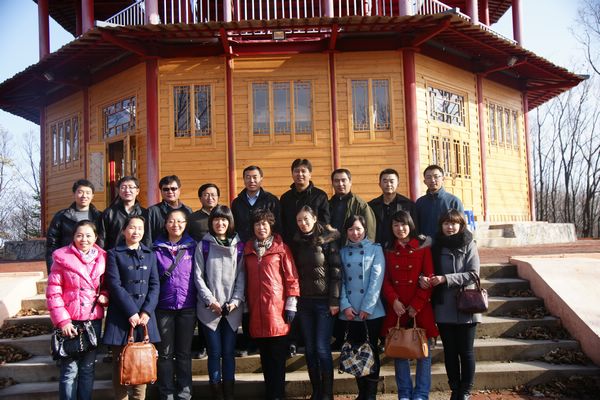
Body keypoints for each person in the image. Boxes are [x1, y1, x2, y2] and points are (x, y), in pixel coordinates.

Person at [420, 210, 481, 400]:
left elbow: (473, 274)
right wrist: (424, 278)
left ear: (461, 225)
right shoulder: (435, 246)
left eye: (454, 223)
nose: (450, 227)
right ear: (441, 226)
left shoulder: (469, 243)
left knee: (466, 351)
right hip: (444, 305)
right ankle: (454, 388)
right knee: (450, 351)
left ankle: (466, 390)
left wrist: (445, 278)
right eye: (446, 223)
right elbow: (426, 269)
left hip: (467, 304)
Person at [46, 220, 108, 400]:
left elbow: (106, 286)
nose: (84, 239)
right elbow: (53, 293)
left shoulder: (102, 259)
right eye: (79, 235)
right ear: (73, 237)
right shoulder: (62, 258)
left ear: (95, 237)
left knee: (88, 369)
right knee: (69, 370)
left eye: (88, 235)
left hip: (92, 320)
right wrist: (63, 321)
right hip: (70, 321)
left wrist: (105, 295)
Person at [381, 211, 438, 400]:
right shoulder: (388, 249)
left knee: (424, 352)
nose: (400, 229)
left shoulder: (423, 247)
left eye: (403, 224)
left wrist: (417, 304)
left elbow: (429, 277)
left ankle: (421, 393)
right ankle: (404, 393)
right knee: (400, 352)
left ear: (410, 225)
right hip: (397, 309)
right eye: (395, 225)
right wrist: (393, 300)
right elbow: (385, 279)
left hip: (420, 307)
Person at [244, 209, 300, 400]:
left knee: (277, 358)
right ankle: (270, 393)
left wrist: (291, 303)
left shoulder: (281, 248)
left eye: (264, 224)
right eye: (257, 224)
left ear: (271, 226)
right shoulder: (248, 249)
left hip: (277, 311)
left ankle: (278, 394)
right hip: (256, 311)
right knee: (265, 359)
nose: (261, 227)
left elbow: (292, 277)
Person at [103, 216, 160, 400]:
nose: (136, 232)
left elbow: (155, 285)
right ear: (124, 231)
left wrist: (146, 311)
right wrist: (131, 311)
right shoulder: (114, 254)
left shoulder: (150, 254)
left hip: (144, 318)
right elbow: (114, 284)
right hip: (121, 316)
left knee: (142, 362)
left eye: (140, 228)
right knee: (121, 364)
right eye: (132, 228)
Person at [289, 206, 342, 400]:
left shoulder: (327, 240)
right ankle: (316, 391)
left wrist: (334, 300)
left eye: (306, 219)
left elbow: (336, 272)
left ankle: (327, 393)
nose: (303, 223)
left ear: (314, 219)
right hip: (304, 303)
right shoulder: (296, 242)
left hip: (324, 302)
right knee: (310, 349)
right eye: (299, 220)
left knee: (321, 347)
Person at [194, 205, 245, 400]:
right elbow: (198, 277)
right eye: (216, 219)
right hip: (209, 309)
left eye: (224, 219)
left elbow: (242, 276)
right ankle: (216, 393)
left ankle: (229, 393)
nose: (220, 223)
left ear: (230, 221)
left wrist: (235, 301)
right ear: (211, 222)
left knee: (229, 352)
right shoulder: (204, 246)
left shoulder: (239, 246)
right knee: (214, 352)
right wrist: (211, 301)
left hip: (232, 309)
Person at [339, 215, 385, 400]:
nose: (355, 233)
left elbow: (377, 279)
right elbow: (340, 281)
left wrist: (367, 307)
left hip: (371, 311)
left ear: (365, 229)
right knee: (355, 351)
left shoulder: (375, 249)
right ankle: (362, 393)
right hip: (350, 311)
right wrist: (345, 305)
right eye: (351, 229)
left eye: (358, 229)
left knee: (371, 350)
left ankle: (371, 394)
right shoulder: (342, 252)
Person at [154, 209, 197, 400]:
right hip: (163, 308)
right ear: (165, 224)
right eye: (171, 221)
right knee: (164, 354)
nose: (175, 225)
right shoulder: (155, 249)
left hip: (187, 307)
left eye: (180, 221)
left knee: (184, 354)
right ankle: (167, 394)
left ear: (186, 224)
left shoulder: (193, 247)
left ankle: (184, 394)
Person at [187, 182, 220, 360]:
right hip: (200, 266)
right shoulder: (193, 219)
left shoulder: (224, 215)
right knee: (203, 306)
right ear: (200, 198)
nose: (210, 198)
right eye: (206, 194)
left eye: (213, 194)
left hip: (221, 267)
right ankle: (202, 345)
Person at [45, 179, 102, 273]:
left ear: (92, 196)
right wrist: (52, 271)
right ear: (74, 194)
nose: (84, 196)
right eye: (80, 192)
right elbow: (52, 245)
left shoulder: (100, 217)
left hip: (93, 267)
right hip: (67, 266)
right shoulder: (62, 216)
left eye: (88, 193)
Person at [280, 159, 330, 244]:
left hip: (314, 244)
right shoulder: (285, 198)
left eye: (303, 171)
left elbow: (325, 222)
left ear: (310, 174)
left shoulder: (320, 196)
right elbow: (282, 224)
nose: (300, 174)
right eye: (296, 171)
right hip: (291, 245)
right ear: (292, 174)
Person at [369, 169, 418, 247]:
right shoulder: (371, 206)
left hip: (400, 247)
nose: (388, 184)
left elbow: (414, 228)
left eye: (392, 181)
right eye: (385, 181)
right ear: (380, 184)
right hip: (378, 247)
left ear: (398, 184)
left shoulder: (408, 205)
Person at [97, 176, 150, 250]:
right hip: (114, 254)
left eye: (131, 187)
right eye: (123, 187)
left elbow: (147, 238)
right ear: (119, 191)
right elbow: (102, 239)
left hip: (137, 254)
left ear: (137, 191)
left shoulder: (144, 213)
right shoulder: (109, 213)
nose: (127, 190)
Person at [329, 168, 376, 244]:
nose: (340, 184)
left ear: (350, 182)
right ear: (332, 183)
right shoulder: (328, 204)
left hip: (354, 248)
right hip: (332, 248)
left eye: (343, 180)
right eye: (336, 181)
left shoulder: (361, 205)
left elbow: (370, 233)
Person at [415, 165, 464, 239]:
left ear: (443, 179)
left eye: (436, 176)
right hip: (425, 244)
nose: (432, 180)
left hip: (448, 244)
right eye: (428, 177)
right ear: (424, 181)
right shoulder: (420, 202)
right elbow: (416, 227)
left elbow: (462, 227)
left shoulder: (454, 201)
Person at [147, 175, 193, 243]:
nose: (170, 192)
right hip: (158, 249)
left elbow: (192, 234)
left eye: (173, 189)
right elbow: (147, 237)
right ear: (161, 191)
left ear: (179, 190)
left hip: (185, 248)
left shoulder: (188, 211)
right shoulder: (152, 211)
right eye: (166, 189)